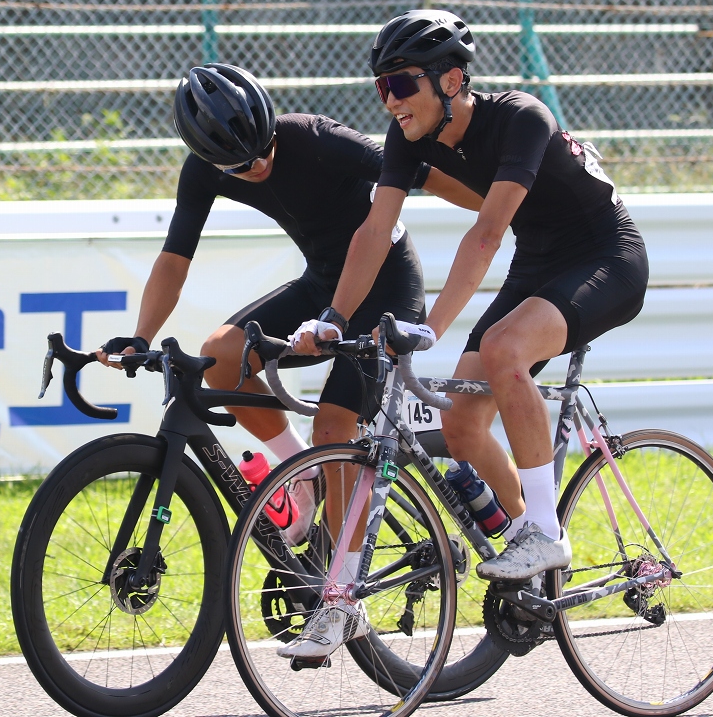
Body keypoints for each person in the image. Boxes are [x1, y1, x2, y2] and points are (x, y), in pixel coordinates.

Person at [293, 10, 649, 605]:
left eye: (402, 84)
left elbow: (485, 235)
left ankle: (544, 531)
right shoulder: (408, 142)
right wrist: (333, 317)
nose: (390, 101)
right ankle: (532, 563)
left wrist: (431, 328)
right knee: (460, 422)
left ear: (451, 80)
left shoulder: (521, 118)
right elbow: (374, 231)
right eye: (381, 87)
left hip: (605, 256)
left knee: (505, 349)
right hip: (538, 262)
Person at [97, 63, 480, 561]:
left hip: (386, 284)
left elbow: (422, 173)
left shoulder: (317, 138)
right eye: (239, 166)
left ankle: (340, 587)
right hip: (323, 282)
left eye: (264, 150)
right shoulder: (203, 170)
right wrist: (141, 336)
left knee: (334, 426)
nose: (257, 166)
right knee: (220, 356)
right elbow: (174, 258)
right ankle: (306, 470)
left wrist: (499, 207)